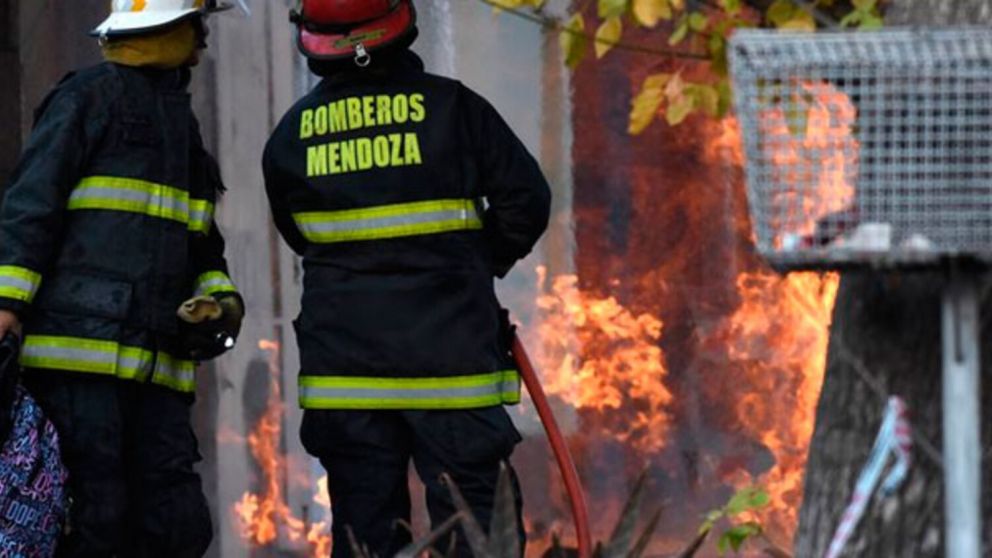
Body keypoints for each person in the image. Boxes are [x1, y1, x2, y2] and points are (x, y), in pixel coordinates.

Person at [263, 1, 551, 556]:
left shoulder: (291, 136)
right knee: (475, 529)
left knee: (364, 532)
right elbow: (527, 200)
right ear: (399, 22)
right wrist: (474, 261)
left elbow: (300, 237)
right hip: (451, 371)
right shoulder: (456, 111)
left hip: (346, 382)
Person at [0, 1, 244, 555]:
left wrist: (220, 301)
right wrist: (6, 307)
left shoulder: (180, 123)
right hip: (76, 369)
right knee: (94, 521)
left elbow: (200, 238)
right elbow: (30, 206)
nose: (203, 42)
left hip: (156, 373)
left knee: (174, 527)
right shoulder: (84, 99)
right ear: (169, 28)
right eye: (197, 25)